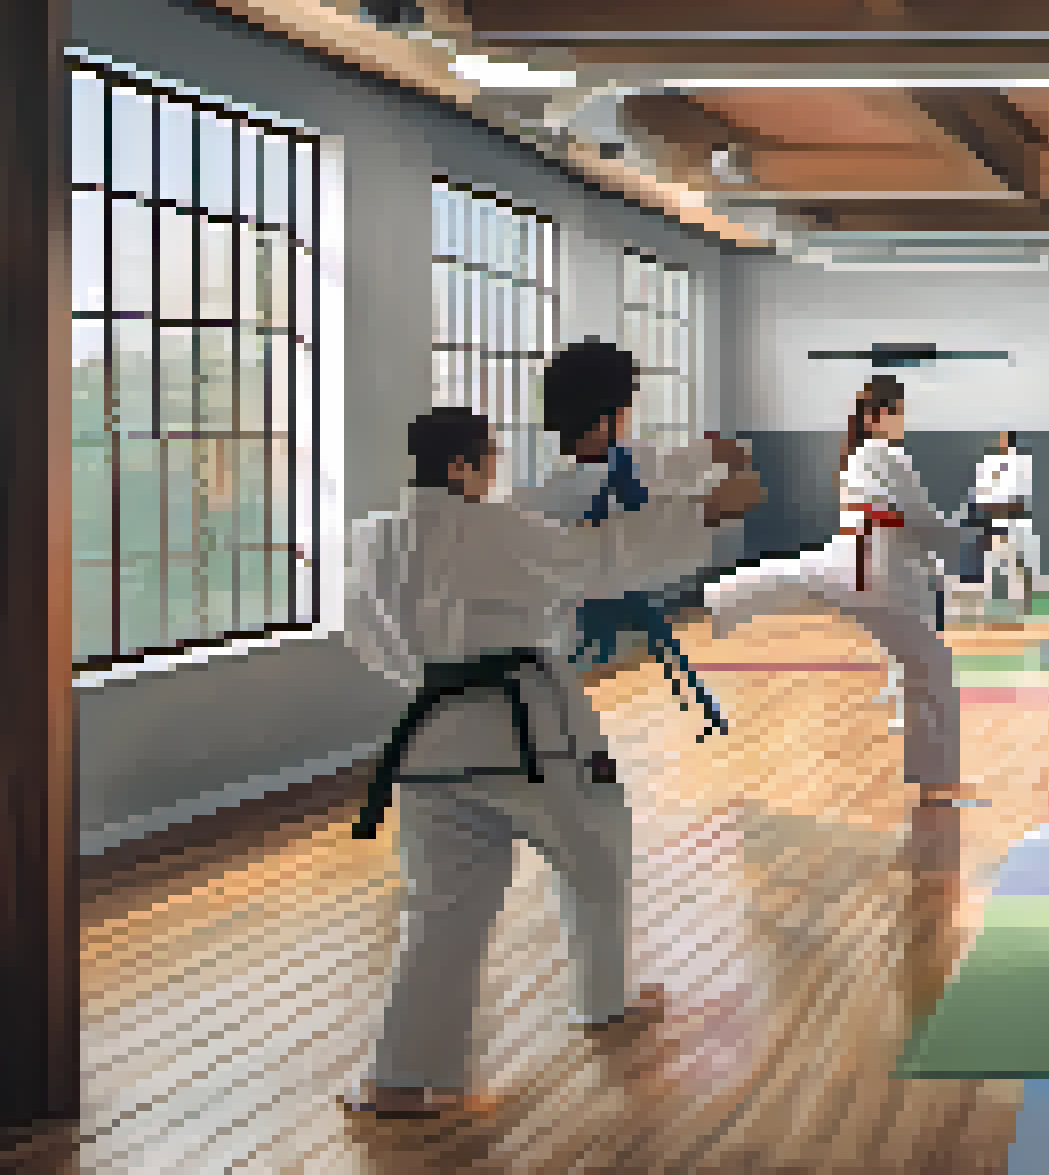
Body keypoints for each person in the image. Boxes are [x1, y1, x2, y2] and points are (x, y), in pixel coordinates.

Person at [340, 406, 764, 1117]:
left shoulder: (373, 540)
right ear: (460, 466)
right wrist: (709, 515)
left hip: (429, 740)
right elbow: (596, 559)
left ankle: (401, 1076)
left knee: (440, 909)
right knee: (598, 853)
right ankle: (605, 999)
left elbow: (365, 634)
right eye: (488, 459)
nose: (495, 472)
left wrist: (432, 677)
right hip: (527, 733)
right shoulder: (492, 527)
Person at [700, 374, 985, 1020]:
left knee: (810, 584)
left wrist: (944, 546)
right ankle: (935, 781)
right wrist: (955, 536)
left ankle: (719, 599)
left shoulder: (866, 455)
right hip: (875, 565)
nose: (905, 421)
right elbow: (913, 518)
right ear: (882, 413)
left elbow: (912, 523)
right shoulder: (882, 454)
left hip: (867, 560)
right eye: (901, 411)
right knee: (930, 668)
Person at [514, 340, 748, 740]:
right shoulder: (584, 483)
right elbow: (659, 492)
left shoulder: (593, 471)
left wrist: (710, 454)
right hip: (579, 603)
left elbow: (663, 467)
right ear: (608, 416)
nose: (630, 414)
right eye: (627, 405)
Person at [959, 430, 1037, 616]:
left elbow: (1019, 499)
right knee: (989, 564)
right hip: (992, 521)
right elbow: (979, 494)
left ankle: (1023, 607)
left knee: (1018, 565)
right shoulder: (989, 463)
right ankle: (983, 610)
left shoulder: (1021, 464)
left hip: (1014, 521)